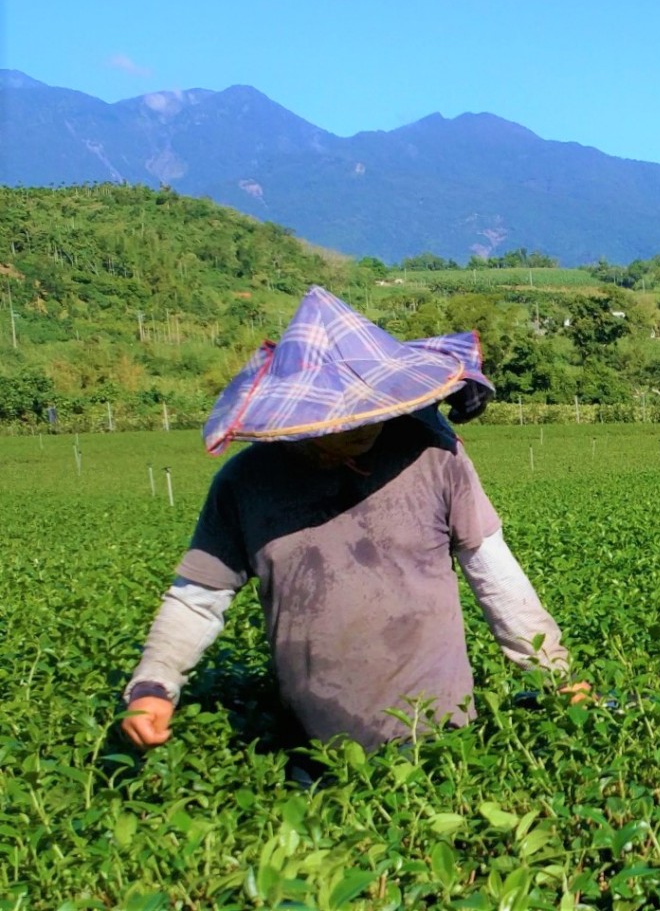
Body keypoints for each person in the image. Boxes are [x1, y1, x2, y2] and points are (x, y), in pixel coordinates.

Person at [121, 286, 582, 754]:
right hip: (312, 744)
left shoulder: (433, 455)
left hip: (440, 733)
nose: (365, 425)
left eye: (370, 405)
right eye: (344, 413)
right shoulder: (244, 483)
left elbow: (492, 571)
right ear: (302, 412)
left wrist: (554, 675)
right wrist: (154, 684)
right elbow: (199, 597)